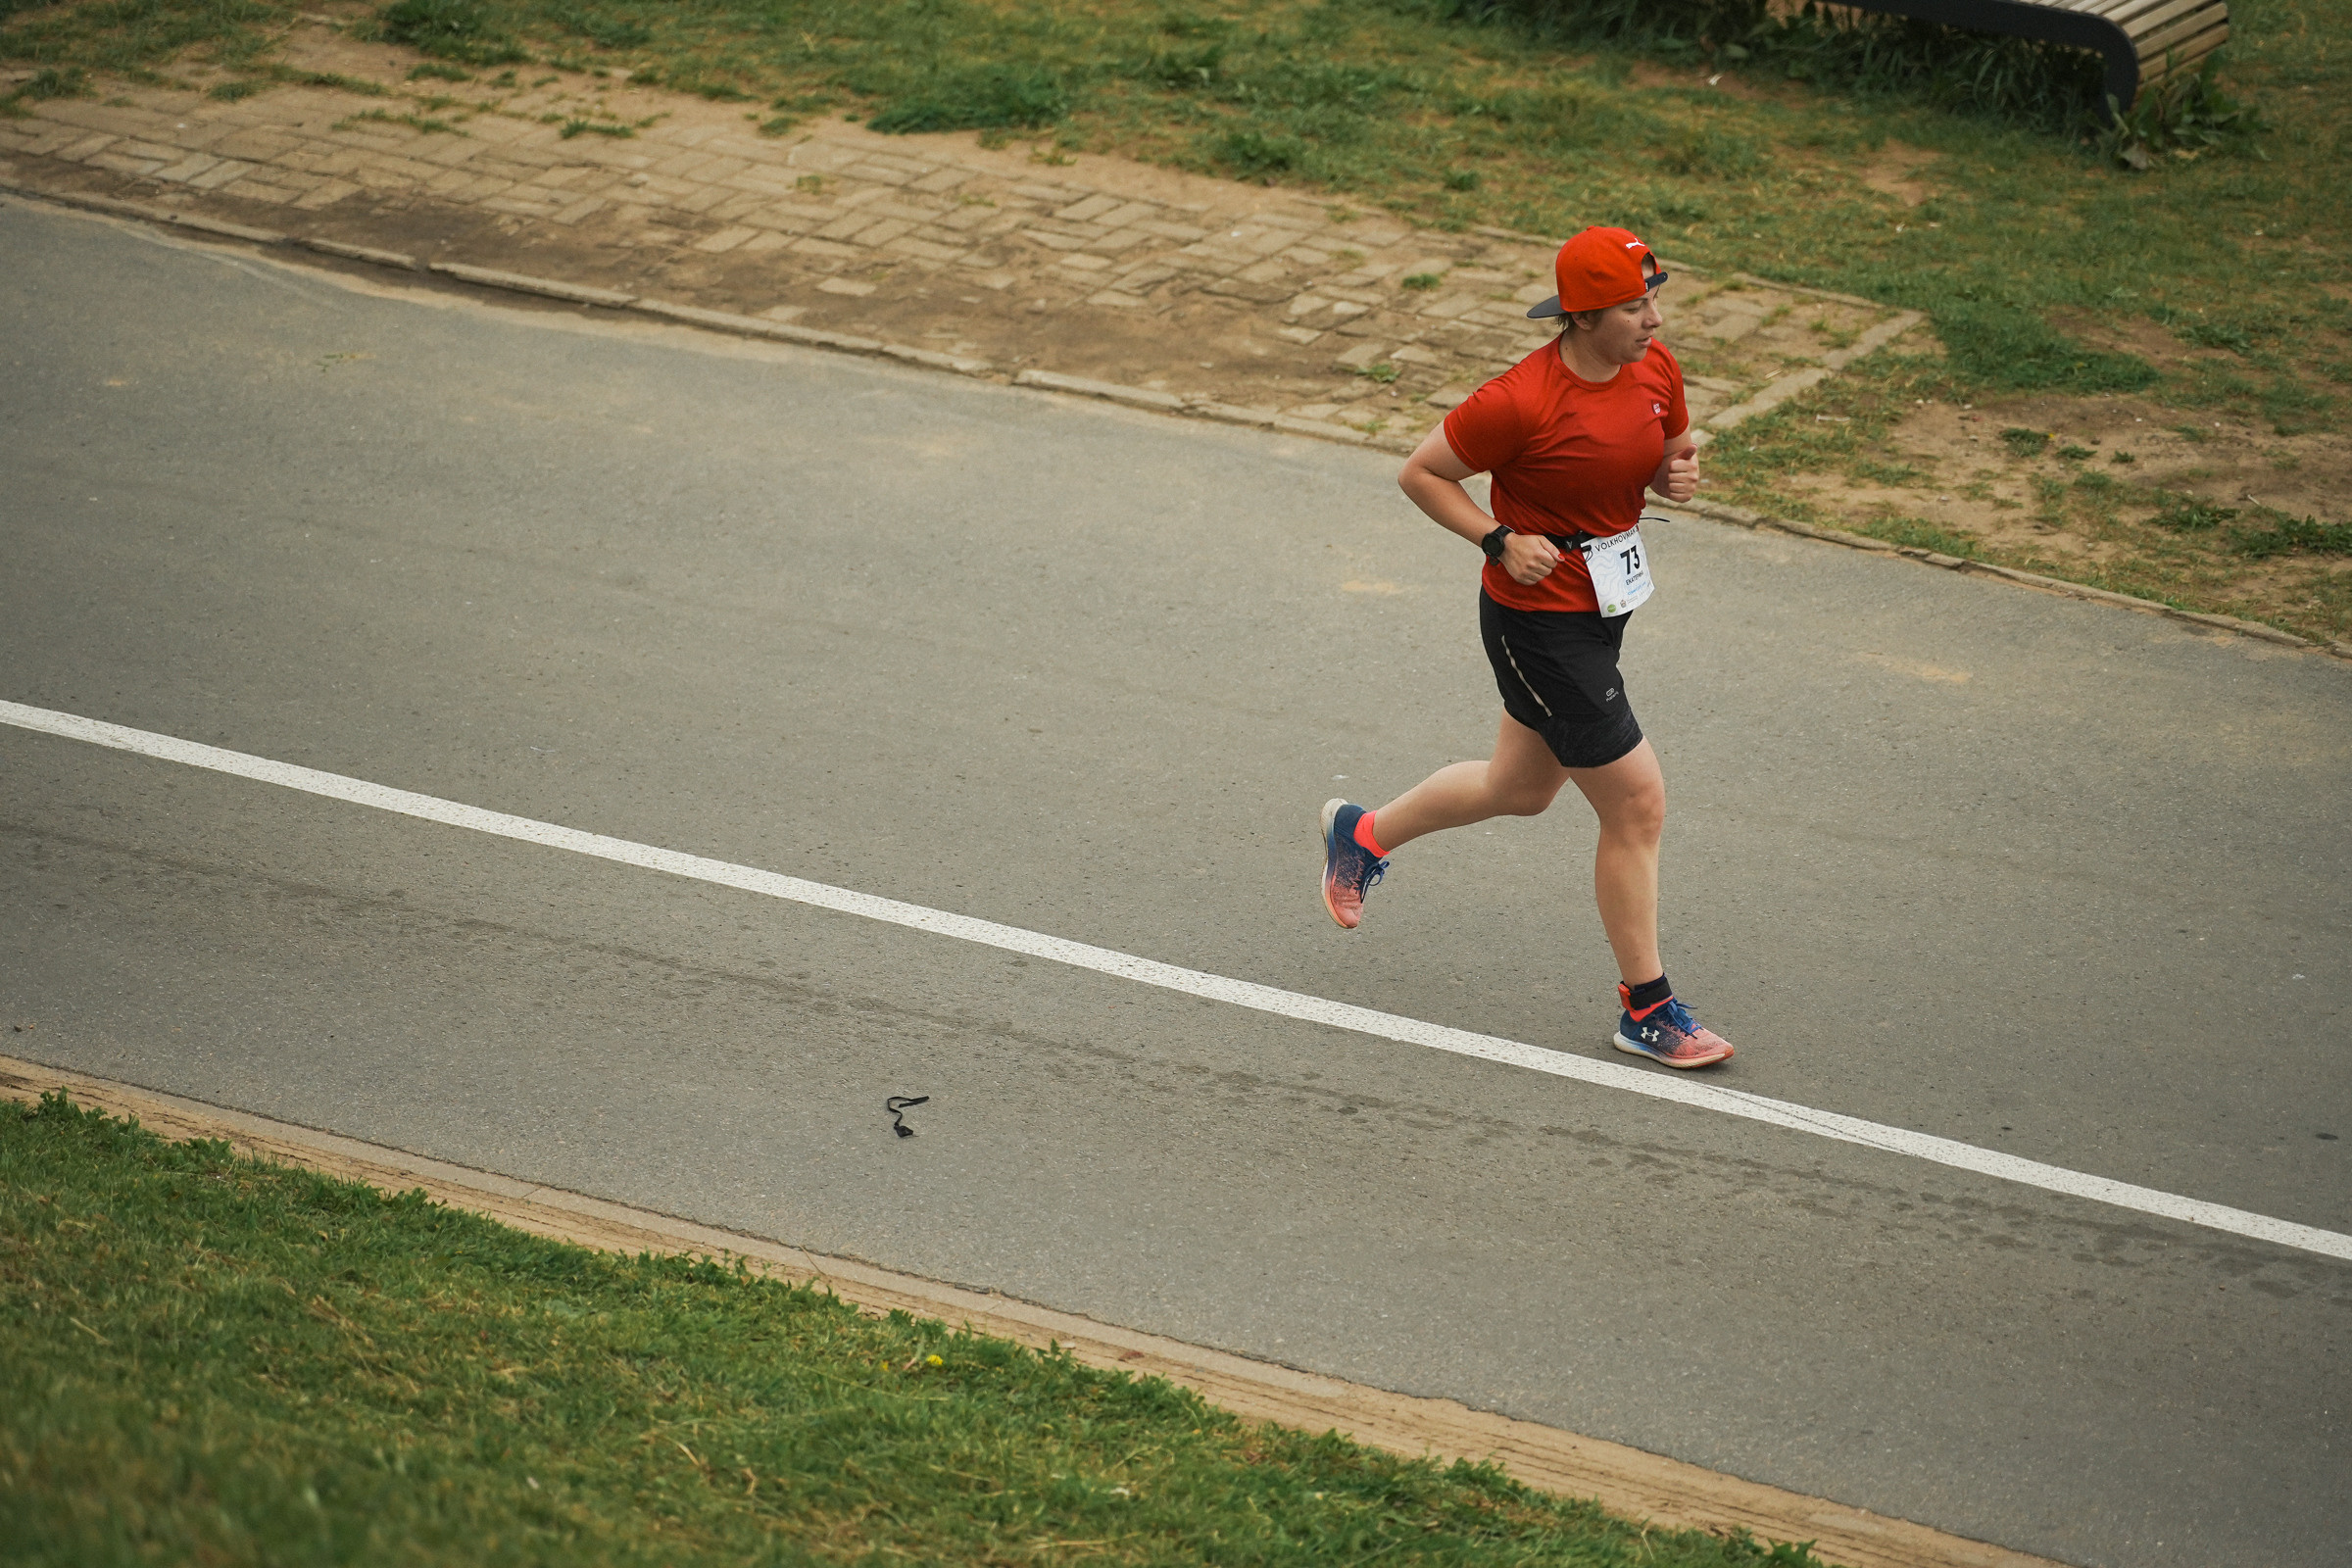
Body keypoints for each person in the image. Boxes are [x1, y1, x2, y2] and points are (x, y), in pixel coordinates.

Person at [1317, 225, 1733, 1070]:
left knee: (1521, 787)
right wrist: (1497, 537)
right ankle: (1646, 1009)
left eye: (1655, 299)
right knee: (1636, 803)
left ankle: (1362, 835)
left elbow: (1659, 449)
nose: (1653, 318)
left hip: (1602, 606)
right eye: (1633, 306)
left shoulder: (1653, 367)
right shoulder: (1519, 399)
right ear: (1581, 316)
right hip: (1536, 622)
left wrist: (1671, 475)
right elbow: (1422, 473)